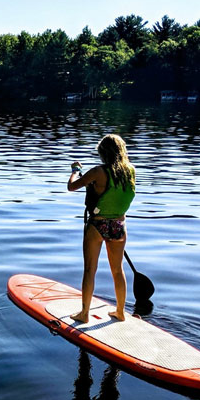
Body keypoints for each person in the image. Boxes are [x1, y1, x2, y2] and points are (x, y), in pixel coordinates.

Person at [67, 134, 136, 323]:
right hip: (119, 226)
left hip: (98, 225)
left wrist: (75, 170)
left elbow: (72, 187)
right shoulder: (130, 170)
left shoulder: (97, 172)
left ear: (103, 153)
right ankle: (120, 312)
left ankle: (84, 314)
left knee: (90, 270)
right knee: (118, 270)